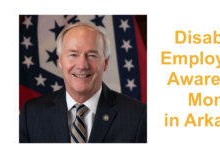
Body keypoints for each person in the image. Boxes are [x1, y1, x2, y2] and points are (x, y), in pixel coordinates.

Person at [19, 22, 147, 143]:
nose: (82, 65)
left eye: (92, 55)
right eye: (73, 54)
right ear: (60, 61)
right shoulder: (31, 114)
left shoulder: (138, 116)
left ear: (106, 62)